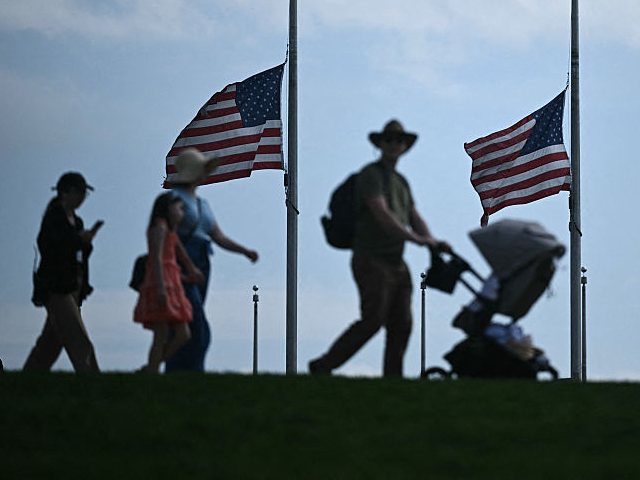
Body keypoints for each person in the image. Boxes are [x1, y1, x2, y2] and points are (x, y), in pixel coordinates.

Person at [309, 119, 451, 377]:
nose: (394, 145)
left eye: (399, 141)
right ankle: (323, 365)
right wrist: (417, 240)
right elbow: (382, 214)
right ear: (380, 144)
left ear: (405, 146)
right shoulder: (370, 175)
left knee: (402, 324)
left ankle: (392, 379)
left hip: (396, 262)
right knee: (373, 320)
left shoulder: (401, 182)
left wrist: (433, 240)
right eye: (389, 140)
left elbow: (413, 216)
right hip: (371, 258)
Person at [166, 148, 259, 372]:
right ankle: (184, 370)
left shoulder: (202, 204)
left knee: (188, 320)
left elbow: (218, 236)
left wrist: (244, 251)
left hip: (202, 262)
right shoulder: (173, 200)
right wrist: (187, 265)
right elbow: (169, 236)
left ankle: (183, 372)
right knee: (194, 324)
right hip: (181, 263)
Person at [24, 172, 103, 372]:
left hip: (73, 284)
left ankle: (29, 378)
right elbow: (51, 249)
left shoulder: (77, 222)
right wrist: (79, 241)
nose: (82, 197)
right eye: (79, 192)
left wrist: (85, 243)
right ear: (65, 193)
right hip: (57, 287)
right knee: (78, 339)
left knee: (50, 343)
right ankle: (93, 380)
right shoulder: (54, 218)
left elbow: (79, 254)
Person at [133, 193, 204, 373]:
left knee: (183, 334)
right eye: (179, 208)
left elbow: (176, 262)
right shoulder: (160, 227)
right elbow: (156, 259)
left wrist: (188, 276)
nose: (182, 212)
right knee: (161, 335)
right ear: (167, 208)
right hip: (160, 285)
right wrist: (161, 288)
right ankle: (152, 372)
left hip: (171, 285)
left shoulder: (170, 232)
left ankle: (151, 367)